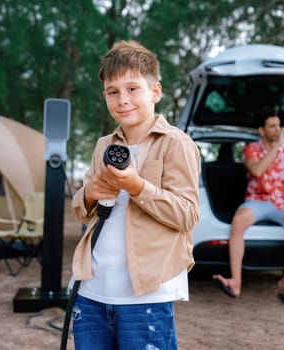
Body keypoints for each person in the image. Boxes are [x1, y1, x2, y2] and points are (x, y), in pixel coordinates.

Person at [70, 40, 200, 349]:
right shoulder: (104, 145)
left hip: (146, 295)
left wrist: (137, 186)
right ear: (105, 97)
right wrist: (90, 192)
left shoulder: (175, 144)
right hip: (91, 291)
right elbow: (81, 209)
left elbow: (188, 214)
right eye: (113, 92)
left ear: (155, 92)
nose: (122, 99)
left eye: (132, 89)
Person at [212, 112, 284, 307]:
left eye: (279, 126)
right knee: (238, 222)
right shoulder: (251, 149)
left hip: (282, 203)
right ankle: (236, 282)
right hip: (256, 200)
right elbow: (257, 170)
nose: (278, 130)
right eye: (272, 126)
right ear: (262, 130)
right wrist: (276, 147)